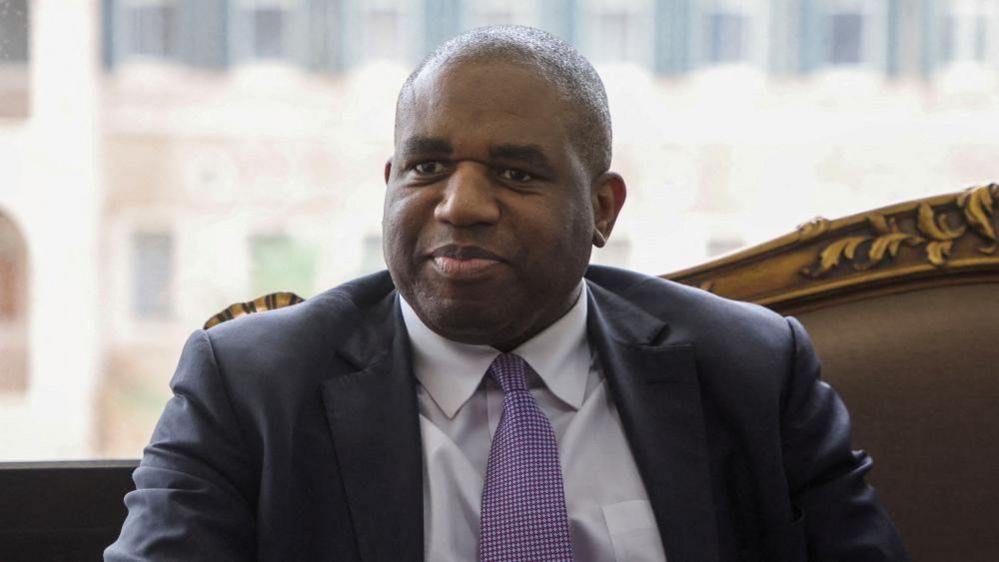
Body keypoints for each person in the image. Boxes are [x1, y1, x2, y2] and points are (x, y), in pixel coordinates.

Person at [106, 26, 908, 562]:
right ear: (389, 184)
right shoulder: (250, 384)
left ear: (601, 209)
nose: (459, 205)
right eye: (425, 167)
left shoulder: (751, 368)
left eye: (514, 173)